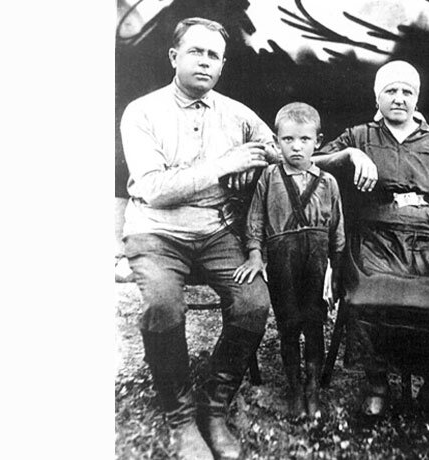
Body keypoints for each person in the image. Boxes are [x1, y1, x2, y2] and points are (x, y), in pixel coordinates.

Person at [120, 17, 280, 460]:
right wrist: (226, 165)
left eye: (214, 55)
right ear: (174, 57)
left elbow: (278, 149)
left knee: (253, 302)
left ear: (223, 65)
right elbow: (154, 188)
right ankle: (180, 417)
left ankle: (214, 405)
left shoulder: (236, 113)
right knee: (162, 305)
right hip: (155, 230)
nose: (205, 62)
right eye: (196, 52)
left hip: (215, 229)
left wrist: (258, 161)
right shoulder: (142, 111)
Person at [313, 60, 429, 423]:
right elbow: (312, 161)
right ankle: (377, 385)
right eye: (390, 90)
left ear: (416, 98)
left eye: (407, 91)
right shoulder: (359, 135)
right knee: (368, 296)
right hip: (377, 238)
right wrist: (350, 154)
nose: (399, 98)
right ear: (377, 97)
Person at [233, 103, 345, 419]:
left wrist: (336, 271)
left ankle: (312, 386)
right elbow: (255, 220)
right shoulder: (270, 177)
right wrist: (255, 254)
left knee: (314, 324)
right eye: (288, 139)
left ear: (317, 142)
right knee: (289, 324)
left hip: (316, 261)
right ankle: (295, 386)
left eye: (304, 139)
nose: (296, 147)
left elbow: (337, 230)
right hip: (283, 260)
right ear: (277, 141)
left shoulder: (328, 182)